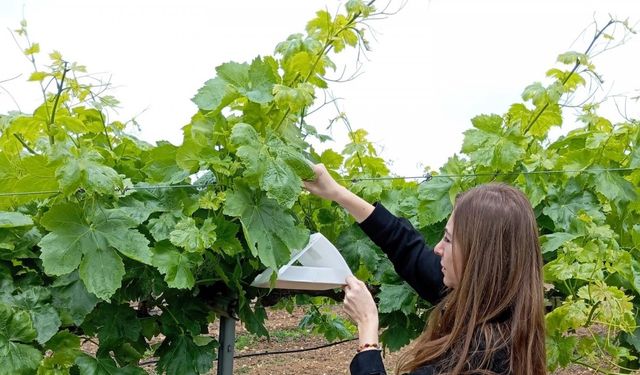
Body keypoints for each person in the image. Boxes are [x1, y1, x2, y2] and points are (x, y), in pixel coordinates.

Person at [303, 164, 546, 375]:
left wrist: (367, 327)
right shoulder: (501, 308)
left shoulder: (475, 359)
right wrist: (337, 193)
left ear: (479, 257)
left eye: (449, 240)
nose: (438, 248)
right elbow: (406, 247)